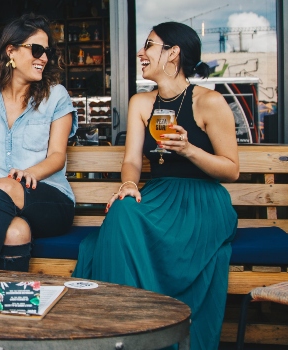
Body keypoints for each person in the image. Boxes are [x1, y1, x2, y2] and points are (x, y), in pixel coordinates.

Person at [72, 22, 239, 350]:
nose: (141, 53)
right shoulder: (141, 103)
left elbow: (231, 170)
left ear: (172, 53)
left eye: (149, 45)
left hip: (202, 201)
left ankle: (159, 332)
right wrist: (130, 184)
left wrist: (189, 149)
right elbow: (132, 160)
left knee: (120, 227)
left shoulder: (209, 102)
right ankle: (121, 335)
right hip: (159, 194)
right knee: (122, 212)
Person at [0, 13, 77, 271]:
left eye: (47, 51)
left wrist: (27, 174)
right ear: (11, 51)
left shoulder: (55, 96)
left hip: (46, 199)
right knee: (15, 232)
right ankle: (12, 306)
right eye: (36, 50)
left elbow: (58, 156)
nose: (43, 57)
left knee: (8, 185)